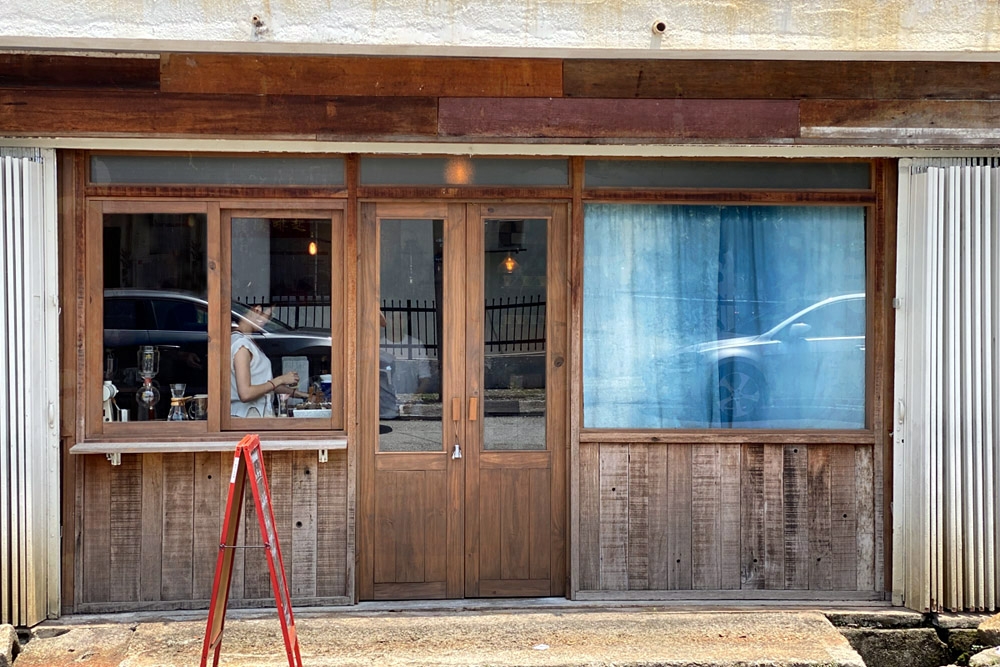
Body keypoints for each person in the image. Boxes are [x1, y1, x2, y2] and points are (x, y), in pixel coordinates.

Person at [231, 303, 305, 417]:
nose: (267, 321)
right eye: (268, 316)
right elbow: (245, 393)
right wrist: (280, 379)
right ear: (257, 310)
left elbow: (264, 385)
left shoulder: (245, 340)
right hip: (249, 416)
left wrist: (299, 394)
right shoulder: (241, 345)